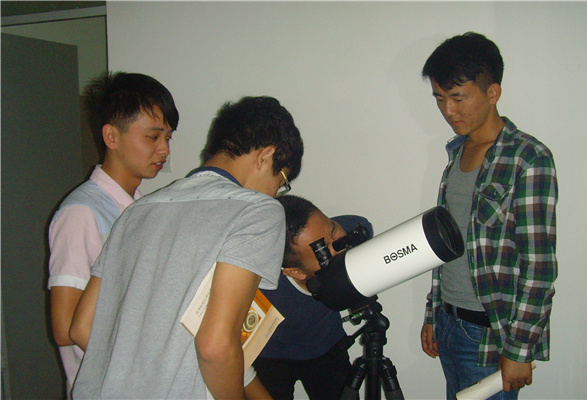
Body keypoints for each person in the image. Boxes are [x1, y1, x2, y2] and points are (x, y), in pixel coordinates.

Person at [69, 96, 304, 400]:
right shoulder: (258, 211)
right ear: (266, 156)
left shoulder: (138, 210)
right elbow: (215, 346)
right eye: (282, 181)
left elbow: (83, 327)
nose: (275, 193)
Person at [419, 32, 558, 399]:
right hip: (449, 323)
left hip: (491, 336)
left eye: (457, 97)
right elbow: (445, 246)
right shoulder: (456, 154)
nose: (448, 111)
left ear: (492, 92)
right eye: (440, 99)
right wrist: (434, 313)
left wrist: (520, 349)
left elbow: (539, 266)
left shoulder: (528, 158)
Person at [47, 71, 179, 395]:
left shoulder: (142, 209)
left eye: (168, 138)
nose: (164, 150)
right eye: (153, 137)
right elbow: (65, 328)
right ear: (111, 136)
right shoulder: (82, 213)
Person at [253, 195, 373, 400]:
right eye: (323, 249)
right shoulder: (265, 288)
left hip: (328, 346)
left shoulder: (352, 230)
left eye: (332, 231)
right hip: (272, 356)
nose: (339, 246)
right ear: (296, 272)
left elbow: (363, 226)